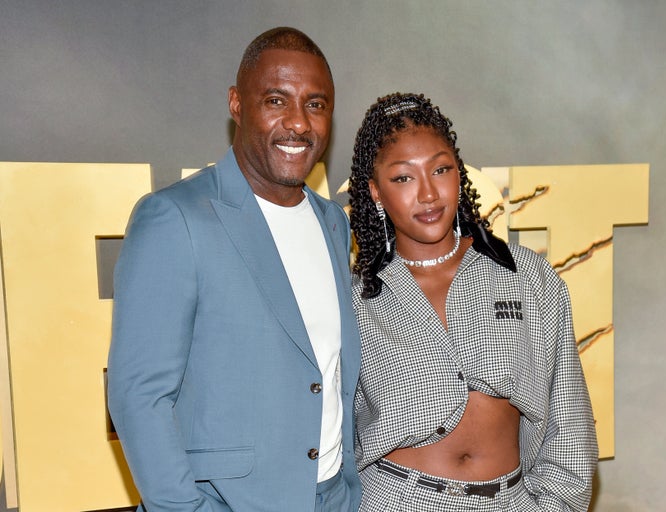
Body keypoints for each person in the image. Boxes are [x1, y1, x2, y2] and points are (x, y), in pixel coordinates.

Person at [107, 27, 362, 512]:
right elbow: (138, 397)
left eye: (315, 104)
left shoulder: (332, 223)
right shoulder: (176, 218)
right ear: (236, 104)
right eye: (275, 100)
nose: (298, 124)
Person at [348, 92, 598, 511]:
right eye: (404, 178)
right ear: (375, 192)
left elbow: (568, 419)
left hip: (512, 500)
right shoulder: (356, 298)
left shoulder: (526, 275)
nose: (428, 194)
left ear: (458, 174)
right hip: (395, 499)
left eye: (441, 169)